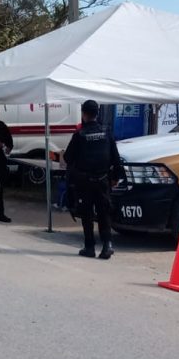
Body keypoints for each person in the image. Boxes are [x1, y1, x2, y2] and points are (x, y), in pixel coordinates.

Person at [64, 99, 122, 259]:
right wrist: (116, 176)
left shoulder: (80, 135)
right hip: (103, 179)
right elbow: (116, 157)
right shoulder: (106, 131)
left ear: (83, 114)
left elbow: (68, 157)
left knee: (87, 214)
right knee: (104, 212)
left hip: (85, 181)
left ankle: (89, 247)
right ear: (97, 113)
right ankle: (107, 245)